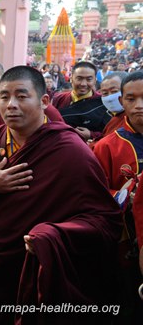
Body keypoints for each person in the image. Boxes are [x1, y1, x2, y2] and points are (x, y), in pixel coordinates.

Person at [0, 65, 122, 324]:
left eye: (22, 96)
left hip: (43, 262)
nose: (10, 104)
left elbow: (105, 219)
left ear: (44, 101)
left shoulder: (71, 151)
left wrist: (54, 235)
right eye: (4, 96)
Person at [93, 70, 143, 323]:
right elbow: (95, 191)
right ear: (121, 101)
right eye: (131, 99)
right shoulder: (107, 146)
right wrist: (126, 197)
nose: (139, 106)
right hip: (126, 240)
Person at [52, 61, 111, 142]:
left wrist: (91, 135)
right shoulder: (58, 98)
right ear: (71, 78)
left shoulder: (102, 102)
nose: (83, 84)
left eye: (89, 79)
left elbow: (110, 134)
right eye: (79, 78)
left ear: (95, 80)